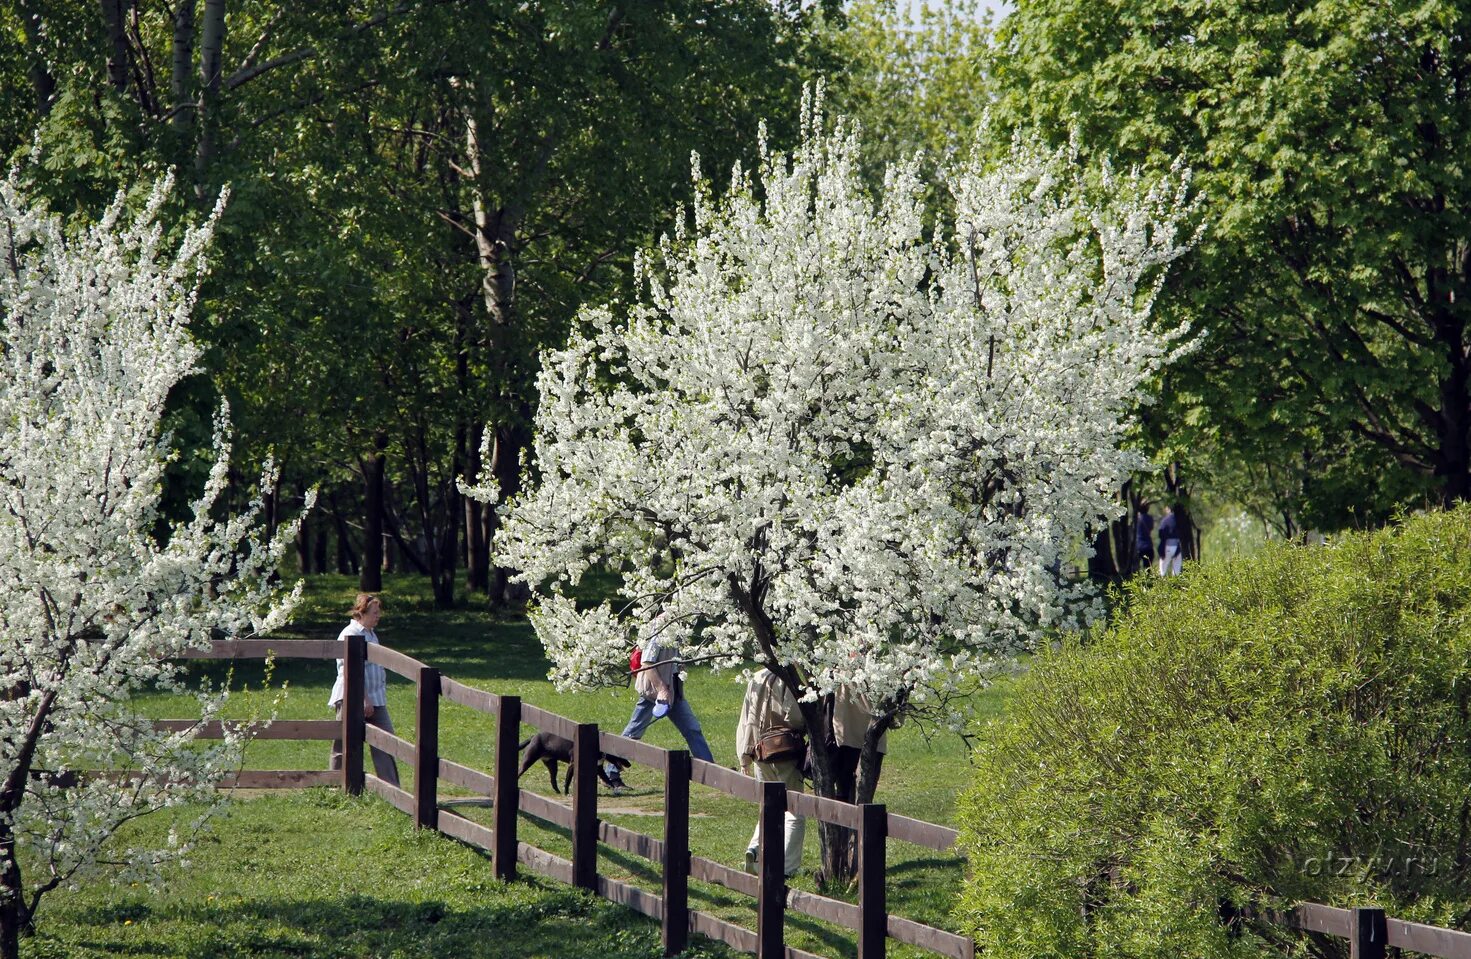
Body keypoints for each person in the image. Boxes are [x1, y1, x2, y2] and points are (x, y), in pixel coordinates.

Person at [603, 633, 714, 790]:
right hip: (654, 693)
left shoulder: (679, 627)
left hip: (673, 693)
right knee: (634, 732)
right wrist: (661, 689)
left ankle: (711, 773)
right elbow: (647, 662)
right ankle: (611, 773)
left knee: (692, 729)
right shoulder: (659, 629)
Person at [738, 667, 807, 878]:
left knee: (768, 806)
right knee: (795, 811)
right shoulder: (787, 675)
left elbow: (745, 720)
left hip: (760, 751)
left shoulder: (756, 677)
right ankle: (788, 867)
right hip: (784, 751)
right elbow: (794, 716)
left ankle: (755, 850)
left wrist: (744, 755)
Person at [328, 592, 400, 786]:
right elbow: (348, 671)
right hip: (352, 697)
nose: (378, 616)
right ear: (362, 612)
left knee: (386, 742)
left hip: (376, 698)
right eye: (375, 612)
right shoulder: (350, 634)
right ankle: (335, 783)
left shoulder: (370, 633)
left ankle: (393, 790)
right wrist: (363, 698)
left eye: (378, 612)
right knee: (343, 742)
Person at [831, 686, 890, 804]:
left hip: (845, 736)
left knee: (844, 796)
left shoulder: (840, 670)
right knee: (863, 797)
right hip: (872, 740)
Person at [1157, 504, 1183, 577]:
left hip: (1168, 546)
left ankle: (1162, 585)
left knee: (1162, 570)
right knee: (1176, 572)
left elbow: (1161, 534)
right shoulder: (1181, 519)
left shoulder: (1165, 520)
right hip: (1178, 546)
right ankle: (1176, 586)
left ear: (1169, 509)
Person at [1135, 503, 1155, 575]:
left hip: (1138, 545)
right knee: (1148, 566)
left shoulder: (1137, 519)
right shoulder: (1150, 518)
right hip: (1148, 545)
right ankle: (1148, 578)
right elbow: (1151, 528)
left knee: (1136, 565)